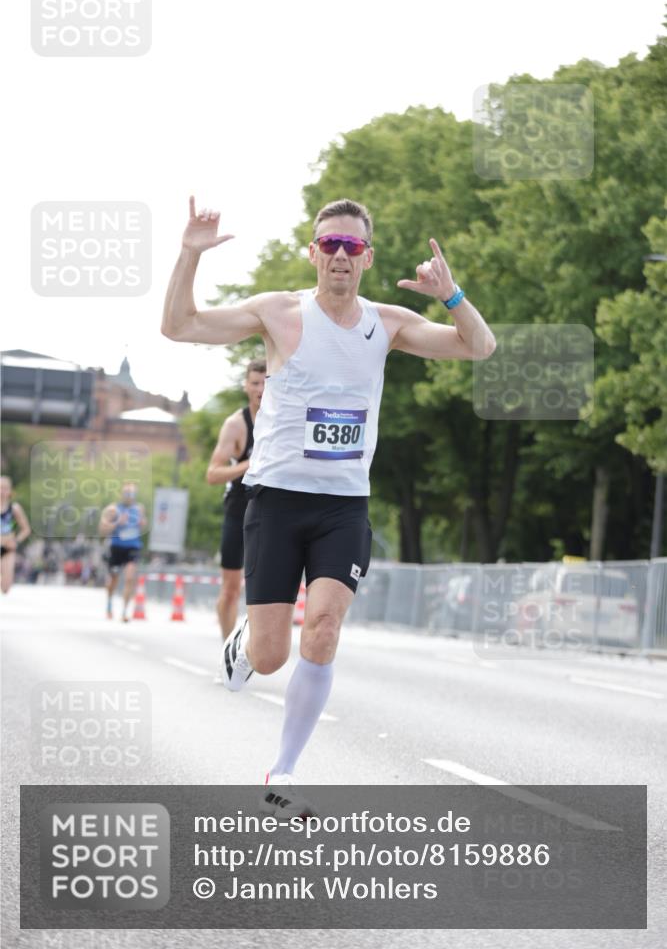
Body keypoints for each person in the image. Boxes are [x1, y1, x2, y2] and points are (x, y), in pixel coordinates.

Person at [161, 195, 496, 811]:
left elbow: (480, 347)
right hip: (277, 501)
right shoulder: (280, 313)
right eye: (331, 245)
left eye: (354, 247)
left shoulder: (387, 323)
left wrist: (452, 296)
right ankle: (243, 645)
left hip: (343, 506)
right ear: (313, 253)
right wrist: (188, 255)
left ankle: (283, 771)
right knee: (270, 656)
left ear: (367, 258)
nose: (341, 256)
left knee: (322, 629)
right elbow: (179, 327)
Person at [206, 359, 266, 643]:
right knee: (231, 588)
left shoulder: (286, 419)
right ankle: (226, 649)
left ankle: (259, 647)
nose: (261, 388)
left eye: (267, 381)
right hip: (239, 509)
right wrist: (250, 464)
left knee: (267, 589)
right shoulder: (236, 424)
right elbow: (212, 473)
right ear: (246, 386)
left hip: (274, 510)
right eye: (255, 383)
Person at [99, 482, 147, 621]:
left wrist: (142, 524)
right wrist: (116, 523)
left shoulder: (139, 509)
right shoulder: (113, 509)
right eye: (127, 493)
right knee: (113, 579)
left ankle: (125, 612)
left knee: (130, 578)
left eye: (132, 494)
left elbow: (143, 524)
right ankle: (109, 603)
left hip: (133, 547)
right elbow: (102, 530)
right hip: (117, 547)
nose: (129, 496)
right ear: (122, 494)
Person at [1, 476, 31, 594]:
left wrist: (16, 541)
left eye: (4, 488)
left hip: (7, 549)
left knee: (6, 588)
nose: (1, 491)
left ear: (9, 491)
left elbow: (26, 529)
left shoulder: (14, 509)